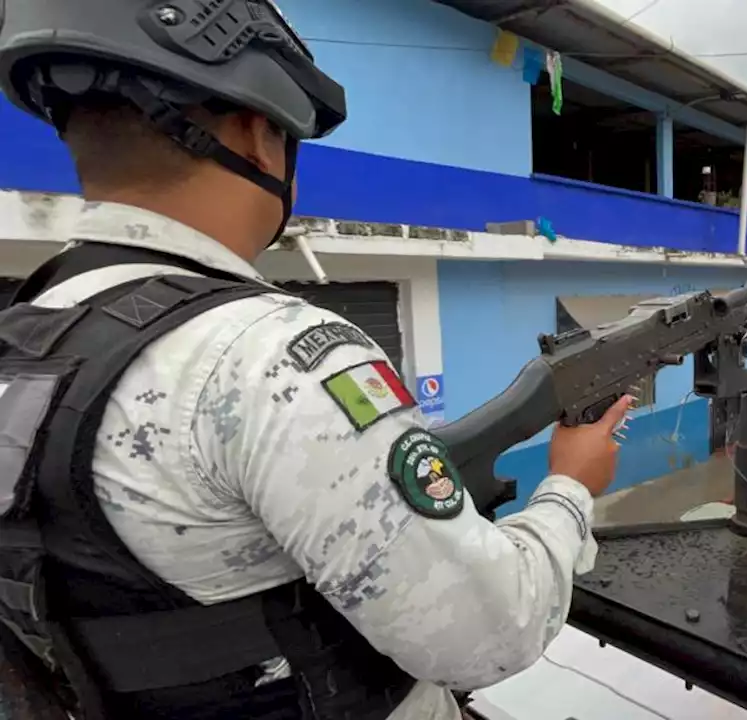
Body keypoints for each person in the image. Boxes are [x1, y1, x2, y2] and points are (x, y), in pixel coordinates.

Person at [0, 5, 629, 719]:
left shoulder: (27, 335)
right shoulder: (273, 356)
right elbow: (488, 636)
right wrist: (570, 488)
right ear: (257, 135)